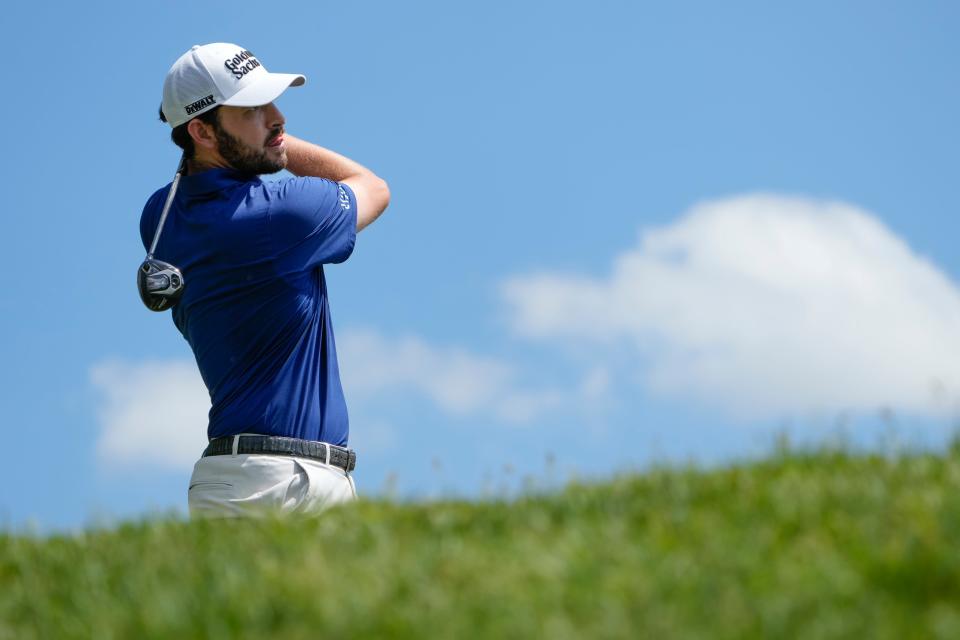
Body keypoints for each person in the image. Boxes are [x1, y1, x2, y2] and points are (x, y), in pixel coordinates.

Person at [140, 43, 390, 518]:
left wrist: (253, 138)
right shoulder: (283, 213)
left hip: (237, 480)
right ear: (202, 130)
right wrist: (275, 147)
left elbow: (190, 176)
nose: (279, 118)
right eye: (253, 110)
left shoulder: (159, 215)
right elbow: (373, 187)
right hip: (284, 482)